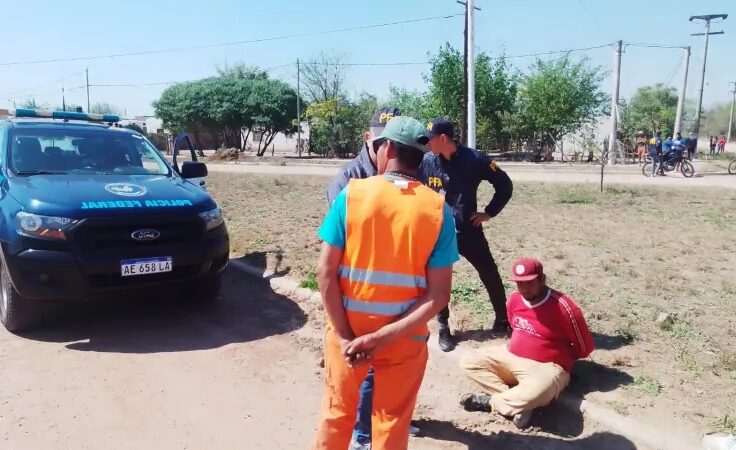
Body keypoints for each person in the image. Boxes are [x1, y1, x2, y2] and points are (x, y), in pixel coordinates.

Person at [312, 116, 459, 450]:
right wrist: (382, 337)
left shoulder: (352, 195)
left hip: (346, 329)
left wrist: (347, 337)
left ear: (388, 147)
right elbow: (438, 296)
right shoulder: (438, 210)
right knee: (391, 424)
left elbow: (325, 273)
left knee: (336, 416)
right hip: (404, 338)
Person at [324, 107, 422, 448]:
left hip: (398, 316)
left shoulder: (413, 188)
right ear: (372, 140)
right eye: (378, 136)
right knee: (349, 397)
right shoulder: (348, 183)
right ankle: (363, 435)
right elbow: (333, 261)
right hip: (357, 311)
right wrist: (344, 333)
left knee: (379, 396)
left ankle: (368, 431)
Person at [458, 257, 595, 429]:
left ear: (542, 279)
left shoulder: (563, 307)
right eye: (519, 283)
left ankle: (490, 402)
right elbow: (513, 324)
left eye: (529, 283)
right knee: (469, 362)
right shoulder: (514, 299)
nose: (524, 289)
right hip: (511, 356)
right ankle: (518, 403)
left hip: (547, 367)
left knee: (540, 390)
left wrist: (560, 359)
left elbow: (585, 348)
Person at [420, 118, 513, 352]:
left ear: (443, 139)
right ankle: (443, 328)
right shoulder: (427, 162)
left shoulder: (475, 159)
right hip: (438, 233)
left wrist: (489, 213)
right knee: (439, 281)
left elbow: (504, 184)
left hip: (468, 230)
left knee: (489, 273)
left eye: (429, 139)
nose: (426, 143)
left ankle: (503, 320)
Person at [326, 107, 400, 205]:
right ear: (367, 138)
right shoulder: (347, 179)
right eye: (382, 141)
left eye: (395, 141)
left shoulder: (409, 173)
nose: (389, 147)